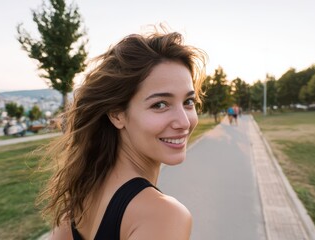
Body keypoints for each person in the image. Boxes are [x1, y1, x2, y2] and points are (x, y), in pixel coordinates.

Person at [39, 29, 207, 240]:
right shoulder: (163, 216)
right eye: (160, 104)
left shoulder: (82, 197)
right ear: (117, 114)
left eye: (188, 102)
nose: (184, 122)